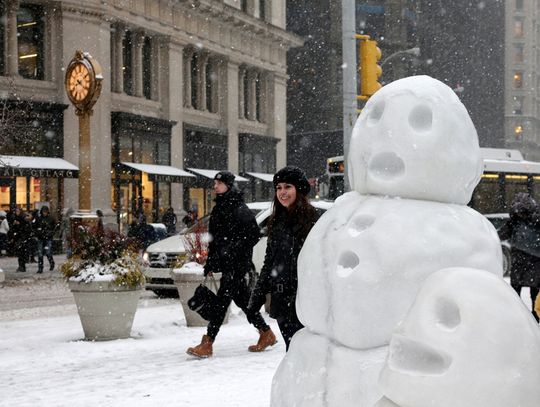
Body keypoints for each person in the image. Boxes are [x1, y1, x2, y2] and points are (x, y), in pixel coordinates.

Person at [186, 171, 276, 358]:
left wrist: (234, 249)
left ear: (228, 185)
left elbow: (253, 234)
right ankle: (266, 332)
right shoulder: (220, 207)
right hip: (226, 263)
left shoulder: (238, 207)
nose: (215, 186)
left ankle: (208, 342)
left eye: (219, 183)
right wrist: (211, 262)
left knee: (221, 302)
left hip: (236, 264)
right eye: (215, 183)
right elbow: (215, 239)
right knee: (243, 300)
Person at [248, 166, 320, 350]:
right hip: (282, 302)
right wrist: (258, 295)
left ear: (299, 189)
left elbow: (321, 263)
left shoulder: (313, 220)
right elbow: (269, 262)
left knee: (305, 354)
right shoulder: (276, 221)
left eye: (288, 187)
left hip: (306, 301)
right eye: (278, 188)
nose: (282, 192)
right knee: (292, 353)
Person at [498, 192, 540, 322]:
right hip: (535, 264)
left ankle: (516, 316)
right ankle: (534, 316)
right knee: (534, 291)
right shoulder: (537, 220)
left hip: (519, 263)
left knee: (515, 292)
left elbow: (500, 235)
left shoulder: (514, 222)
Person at [34, 206, 57, 274]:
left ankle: (51, 263)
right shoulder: (39, 218)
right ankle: (40, 268)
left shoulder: (50, 219)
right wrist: (38, 232)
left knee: (48, 252)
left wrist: (50, 232)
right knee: (40, 253)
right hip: (40, 237)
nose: (44, 213)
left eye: (46, 212)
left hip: (48, 238)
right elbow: (34, 226)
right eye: (44, 212)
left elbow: (54, 228)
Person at [10, 208, 31, 273]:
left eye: (18, 211)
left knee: (22, 252)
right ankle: (21, 266)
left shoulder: (23, 218)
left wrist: (19, 224)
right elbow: (13, 228)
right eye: (16, 211)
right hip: (19, 237)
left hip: (23, 237)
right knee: (20, 252)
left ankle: (22, 266)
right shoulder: (15, 218)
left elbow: (26, 227)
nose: (17, 212)